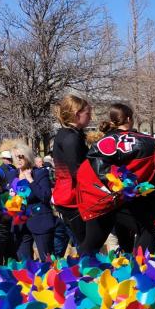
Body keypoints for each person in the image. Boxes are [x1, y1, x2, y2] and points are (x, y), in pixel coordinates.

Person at [78, 119, 155, 255]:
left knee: (147, 229)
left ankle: (140, 269)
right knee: (96, 239)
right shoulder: (142, 145)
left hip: (126, 197)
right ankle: (80, 271)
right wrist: (115, 182)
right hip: (99, 191)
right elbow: (97, 152)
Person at [50, 93, 92, 252]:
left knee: (82, 243)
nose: (90, 117)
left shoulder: (67, 134)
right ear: (76, 114)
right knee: (85, 245)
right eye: (87, 113)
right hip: (72, 198)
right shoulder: (71, 138)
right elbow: (78, 172)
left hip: (67, 195)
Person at [10, 144, 56, 261]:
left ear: (28, 157)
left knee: (47, 261)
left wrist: (30, 180)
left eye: (21, 156)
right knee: (25, 264)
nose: (18, 160)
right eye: (15, 157)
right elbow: (12, 204)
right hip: (20, 225)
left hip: (39, 221)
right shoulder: (12, 176)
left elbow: (45, 197)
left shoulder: (39, 173)